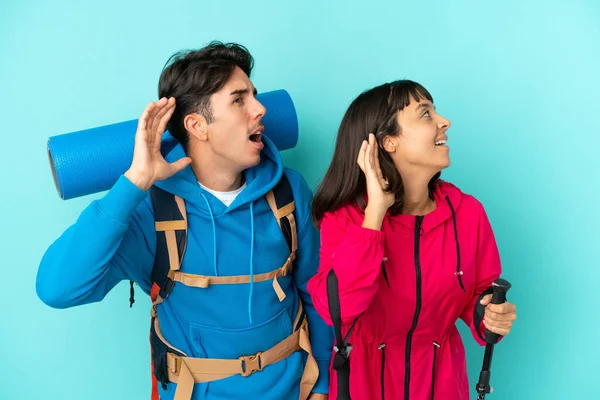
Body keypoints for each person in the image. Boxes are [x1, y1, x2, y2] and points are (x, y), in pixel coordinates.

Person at [36, 41, 332, 400]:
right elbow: (57, 288)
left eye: (253, 94)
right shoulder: (154, 212)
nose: (260, 108)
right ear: (197, 125)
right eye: (239, 99)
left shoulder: (288, 192)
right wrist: (133, 184)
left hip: (292, 390)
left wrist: (320, 384)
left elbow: (317, 294)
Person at [307, 80, 517, 399]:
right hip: (364, 386)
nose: (444, 122)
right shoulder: (346, 218)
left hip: (442, 385)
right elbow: (339, 309)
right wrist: (375, 212)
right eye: (425, 114)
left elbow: (480, 296)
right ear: (388, 142)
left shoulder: (468, 213)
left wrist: (491, 314)